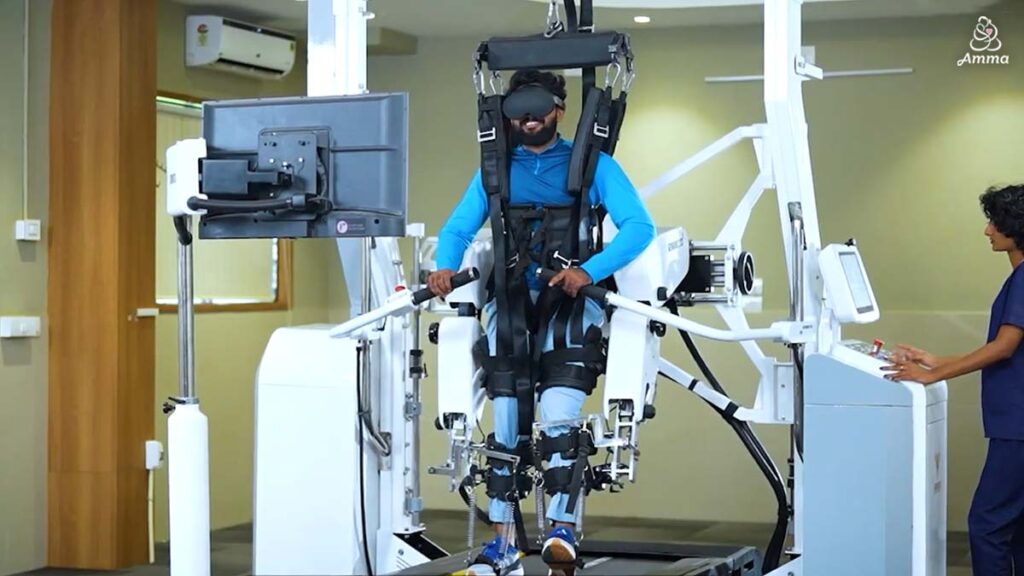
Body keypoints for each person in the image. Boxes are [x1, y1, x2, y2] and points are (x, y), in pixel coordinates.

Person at [428, 69, 656, 576]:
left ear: (558, 109)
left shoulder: (592, 165)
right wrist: (444, 266)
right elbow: (457, 228)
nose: (529, 120)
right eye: (519, 111)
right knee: (506, 415)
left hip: (572, 300)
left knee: (557, 410)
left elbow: (640, 228)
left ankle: (561, 531)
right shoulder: (495, 169)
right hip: (510, 301)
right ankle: (503, 542)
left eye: (538, 110)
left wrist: (588, 271)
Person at [883, 184, 1024, 576]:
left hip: (1018, 428)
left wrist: (933, 375)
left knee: (987, 525)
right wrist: (934, 359)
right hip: (1015, 424)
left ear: (1015, 227)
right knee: (1015, 531)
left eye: (994, 222)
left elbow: (1005, 347)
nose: (987, 231)